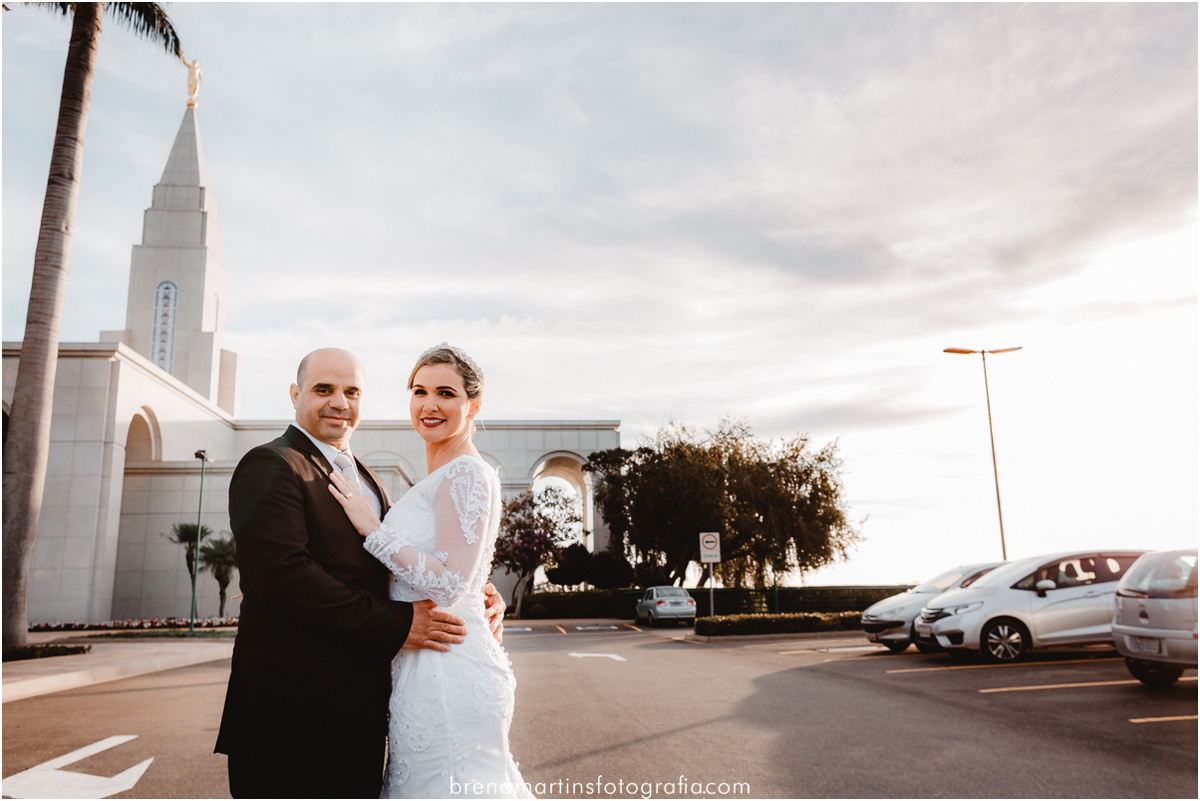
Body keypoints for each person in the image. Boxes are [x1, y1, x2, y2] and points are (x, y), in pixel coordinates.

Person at [214, 347, 505, 799]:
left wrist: (477, 588)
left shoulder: (370, 482)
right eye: (323, 389)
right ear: (295, 394)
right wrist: (401, 623)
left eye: (352, 392)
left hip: (362, 721)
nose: (339, 402)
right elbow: (284, 578)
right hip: (290, 720)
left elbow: (399, 562)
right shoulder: (270, 464)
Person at [330, 343, 531, 799]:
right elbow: (462, 570)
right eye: (419, 391)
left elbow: (449, 583)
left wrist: (373, 529)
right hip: (427, 662)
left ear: (473, 405)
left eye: (446, 393)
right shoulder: (446, 476)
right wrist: (485, 591)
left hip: (447, 665)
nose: (429, 404)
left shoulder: (465, 473)